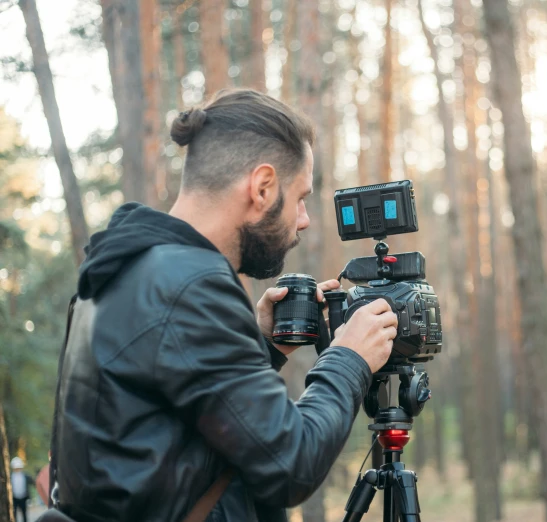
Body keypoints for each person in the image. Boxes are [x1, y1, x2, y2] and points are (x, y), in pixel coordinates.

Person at [52, 89, 397, 521]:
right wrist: (350, 358)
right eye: (300, 197)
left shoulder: (124, 268)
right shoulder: (189, 286)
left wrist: (261, 345)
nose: (303, 219)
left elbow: (172, 420)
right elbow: (291, 464)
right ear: (263, 187)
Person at [11, 457, 34, 522]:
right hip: (14, 498)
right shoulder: (10, 476)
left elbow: (33, 482)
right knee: (14, 514)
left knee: (24, 514)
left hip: (23, 498)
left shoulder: (25, 476)